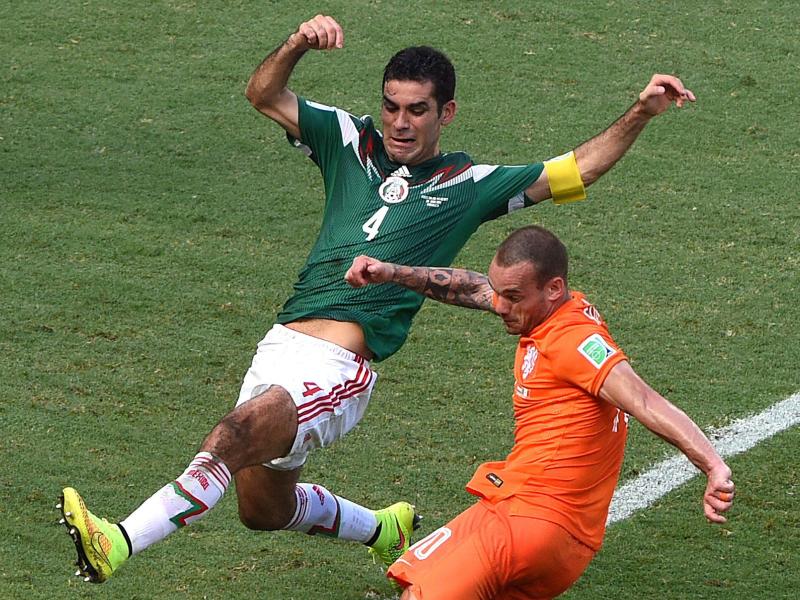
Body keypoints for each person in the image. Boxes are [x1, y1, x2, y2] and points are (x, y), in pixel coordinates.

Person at [58, 13, 698, 587]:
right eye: (391, 106)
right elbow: (263, 94)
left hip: (337, 368)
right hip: (278, 348)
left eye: (417, 110)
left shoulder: (467, 185)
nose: (399, 122)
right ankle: (382, 530)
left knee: (229, 437)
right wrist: (299, 42)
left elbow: (576, 169)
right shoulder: (346, 140)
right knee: (264, 511)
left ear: (445, 113)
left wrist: (640, 111)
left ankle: (115, 543)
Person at [344, 225, 735, 599]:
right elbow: (472, 288)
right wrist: (392, 273)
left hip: (534, 521)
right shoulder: (548, 310)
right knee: (415, 580)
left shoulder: (574, 341)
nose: (498, 306)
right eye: (500, 292)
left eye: (512, 296)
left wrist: (713, 465)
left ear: (553, 289)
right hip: (521, 507)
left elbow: (645, 401)